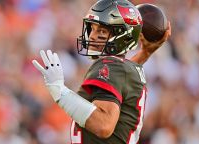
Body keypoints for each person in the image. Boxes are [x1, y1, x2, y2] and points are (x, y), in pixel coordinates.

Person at [32, 0, 171, 143]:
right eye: (92, 28)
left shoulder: (110, 65)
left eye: (102, 31)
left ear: (123, 36)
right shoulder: (127, 68)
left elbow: (103, 125)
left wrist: (59, 91)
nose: (92, 36)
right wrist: (145, 53)